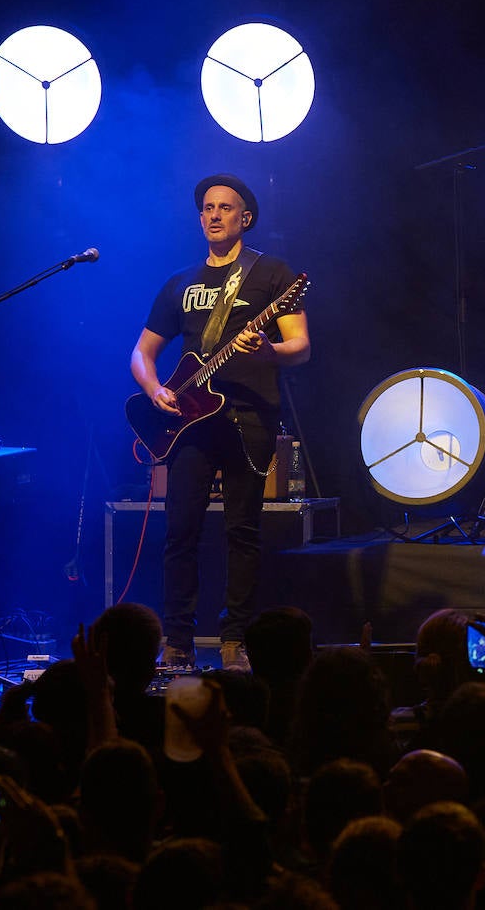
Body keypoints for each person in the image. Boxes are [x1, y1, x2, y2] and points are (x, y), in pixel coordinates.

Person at [130, 174, 310, 671]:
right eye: (207, 207)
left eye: (225, 208)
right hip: (190, 423)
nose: (213, 215)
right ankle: (178, 641)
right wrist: (155, 389)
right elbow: (142, 354)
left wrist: (270, 349)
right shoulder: (180, 282)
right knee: (180, 531)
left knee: (243, 531)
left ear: (244, 219)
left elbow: (301, 347)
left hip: (249, 416)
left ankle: (236, 641)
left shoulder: (272, 274)